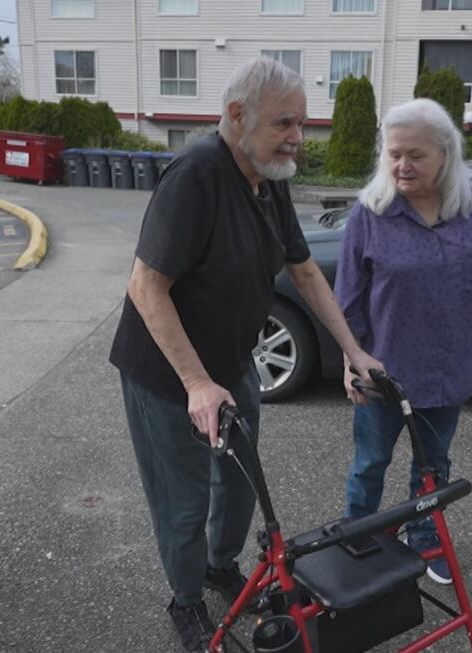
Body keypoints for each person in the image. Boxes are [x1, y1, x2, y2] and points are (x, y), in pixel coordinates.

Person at [109, 57, 382, 653]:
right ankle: (185, 600)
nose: (298, 138)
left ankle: (219, 566)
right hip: (168, 374)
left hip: (233, 364)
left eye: (303, 124)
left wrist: (352, 350)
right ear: (237, 116)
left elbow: (304, 269)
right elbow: (145, 286)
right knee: (184, 501)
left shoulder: (268, 179)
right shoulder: (196, 176)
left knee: (237, 485)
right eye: (285, 122)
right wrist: (196, 385)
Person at [334, 98, 472, 585]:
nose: (402, 164)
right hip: (384, 370)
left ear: (445, 153)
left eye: (415, 154)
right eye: (394, 153)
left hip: (447, 366)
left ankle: (424, 538)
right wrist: (349, 359)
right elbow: (347, 298)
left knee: (433, 465)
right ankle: (359, 540)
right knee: (369, 463)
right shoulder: (370, 212)